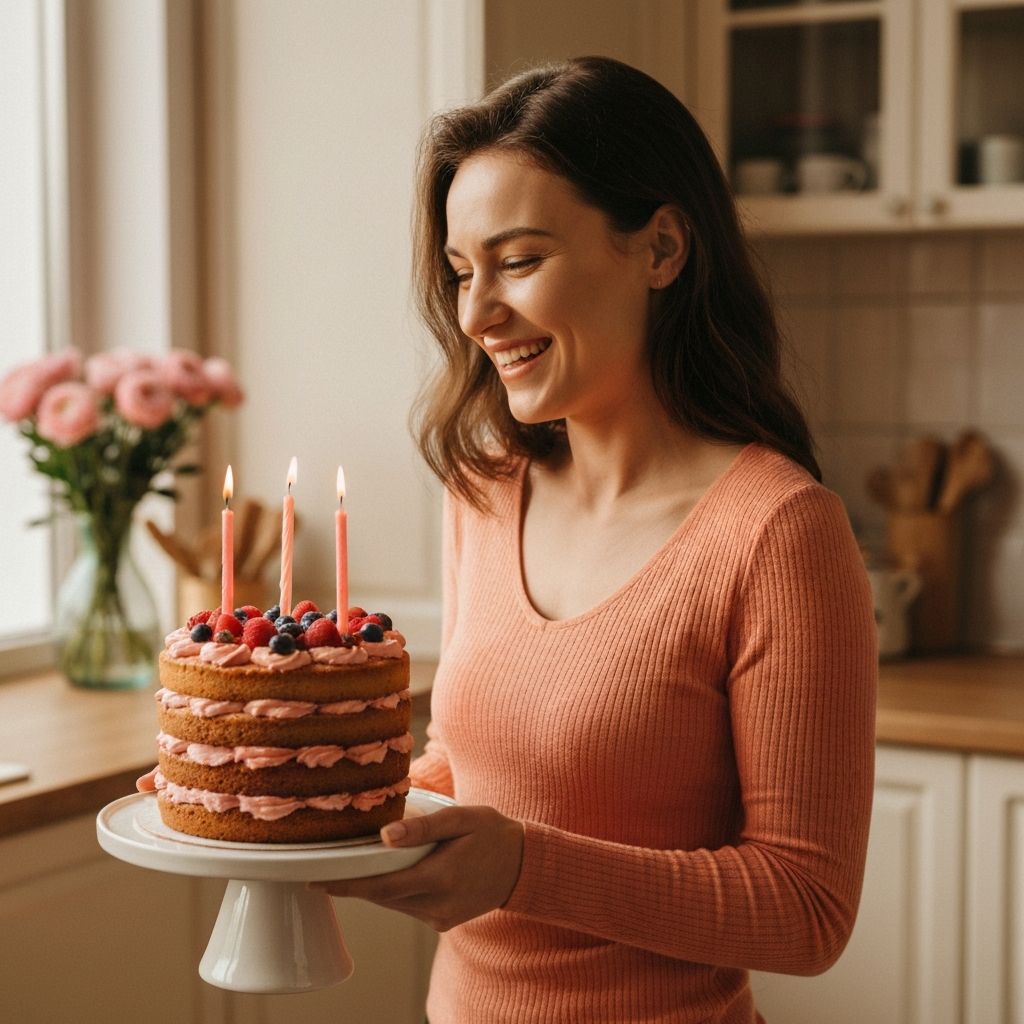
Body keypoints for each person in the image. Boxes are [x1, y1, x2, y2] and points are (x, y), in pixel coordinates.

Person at [315, 56, 877, 1024]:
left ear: (659, 248)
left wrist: (525, 867)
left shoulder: (777, 533)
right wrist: (301, 810)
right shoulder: (485, 491)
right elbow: (471, 763)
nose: (477, 313)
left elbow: (805, 910)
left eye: (520, 260)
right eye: (460, 272)